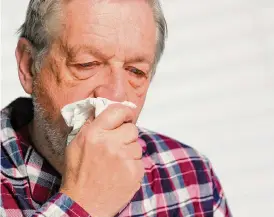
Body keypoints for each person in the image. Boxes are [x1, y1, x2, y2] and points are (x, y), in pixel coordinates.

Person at [0, 0, 232, 216]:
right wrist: (83, 203)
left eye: (136, 71)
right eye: (86, 64)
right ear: (29, 66)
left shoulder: (193, 177)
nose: (115, 94)